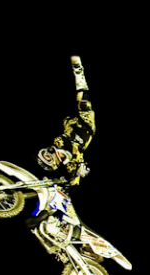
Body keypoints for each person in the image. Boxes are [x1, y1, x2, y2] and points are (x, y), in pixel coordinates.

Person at [37, 56, 96, 188]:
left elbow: (69, 144)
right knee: (84, 101)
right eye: (48, 158)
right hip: (86, 125)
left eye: (45, 153)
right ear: (53, 163)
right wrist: (76, 176)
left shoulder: (57, 143)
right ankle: (78, 71)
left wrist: (78, 165)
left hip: (69, 122)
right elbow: (75, 178)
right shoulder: (70, 161)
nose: (48, 153)